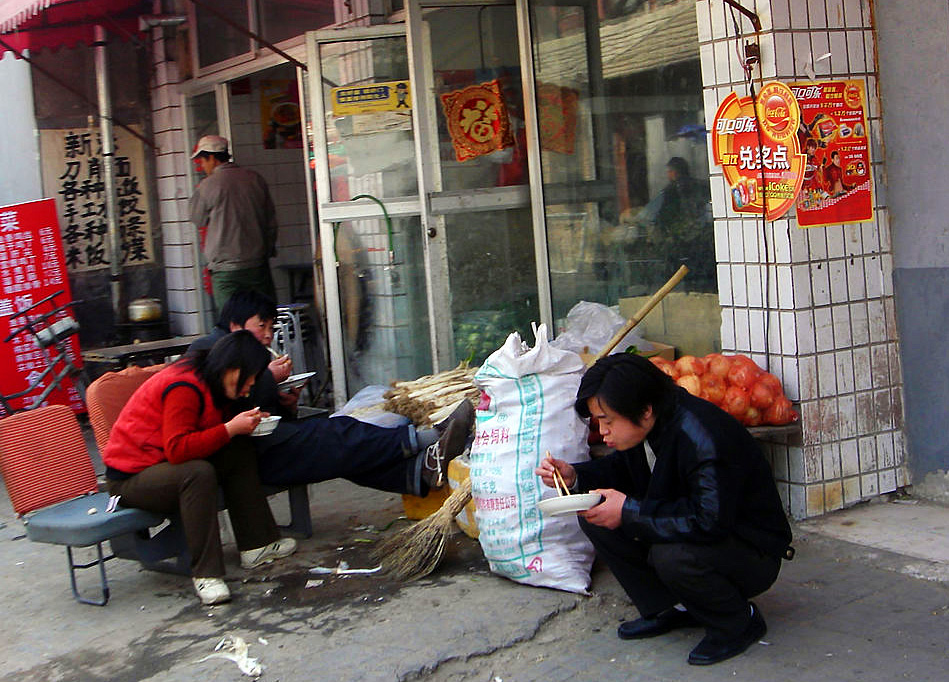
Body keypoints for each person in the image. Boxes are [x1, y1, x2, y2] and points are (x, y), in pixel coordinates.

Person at [535, 354, 793, 666]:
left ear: (644, 410)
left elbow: (710, 520)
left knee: (671, 555)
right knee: (595, 510)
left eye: (608, 420)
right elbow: (622, 470)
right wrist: (576, 478)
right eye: (598, 422)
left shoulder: (703, 435)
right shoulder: (650, 424)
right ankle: (673, 607)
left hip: (751, 550)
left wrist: (630, 512)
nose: (603, 431)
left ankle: (738, 622)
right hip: (699, 528)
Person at [188, 289, 474, 498]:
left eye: (270, 327)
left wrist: (285, 401)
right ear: (236, 326)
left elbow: (253, 405)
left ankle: (421, 470)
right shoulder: (206, 351)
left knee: (344, 447)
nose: (267, 334)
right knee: (336, 436)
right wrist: (268, 378)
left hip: (263, 444)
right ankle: (427, 441)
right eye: (260, 325)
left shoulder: (248, 353)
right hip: (243, 454)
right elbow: (228, 407)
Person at [102, 331, 298, 606]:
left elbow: (208, 429)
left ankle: (258, 544)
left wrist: (244, 423)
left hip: (164, 466)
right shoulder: (184, 385)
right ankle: (206, 574)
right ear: (232, 370)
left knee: (238, 449)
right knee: (197, 473)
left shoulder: (214, 381)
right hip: (132, 478)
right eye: (249, 379)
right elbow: (178, 448)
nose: (249, 387)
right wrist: (230, 428)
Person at [190, 134, 279, 309]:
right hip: (257, 265)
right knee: (263, 318)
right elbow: (271, 222)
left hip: (226, 271)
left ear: (213, 158)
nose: (202, 166)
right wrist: (266, 250)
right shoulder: (255, 179)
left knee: (231, 322)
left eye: (203, 161)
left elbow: (197, 218)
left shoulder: (208, 185)